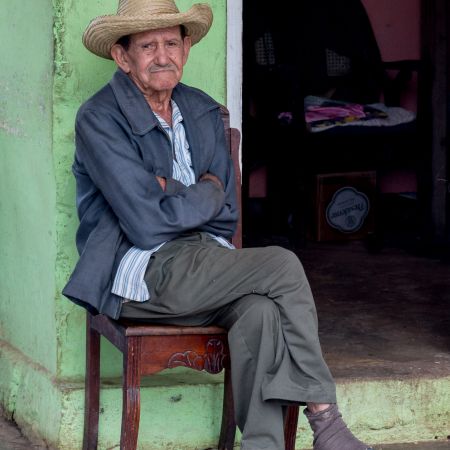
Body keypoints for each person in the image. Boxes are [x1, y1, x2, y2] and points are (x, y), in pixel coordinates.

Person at [63, 1, 373, 449]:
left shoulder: (203, 111)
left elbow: (225, 211)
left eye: (171, 42)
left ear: (187, 48)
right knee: (282, 266)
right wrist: (197, 192)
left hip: (207, 265)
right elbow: (145, 224)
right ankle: (326, 422)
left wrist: (167, 188)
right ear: (122, 56)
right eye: (147, 46)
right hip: (142, 274)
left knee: (262, 313)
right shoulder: (99, 118)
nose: (162, 55)